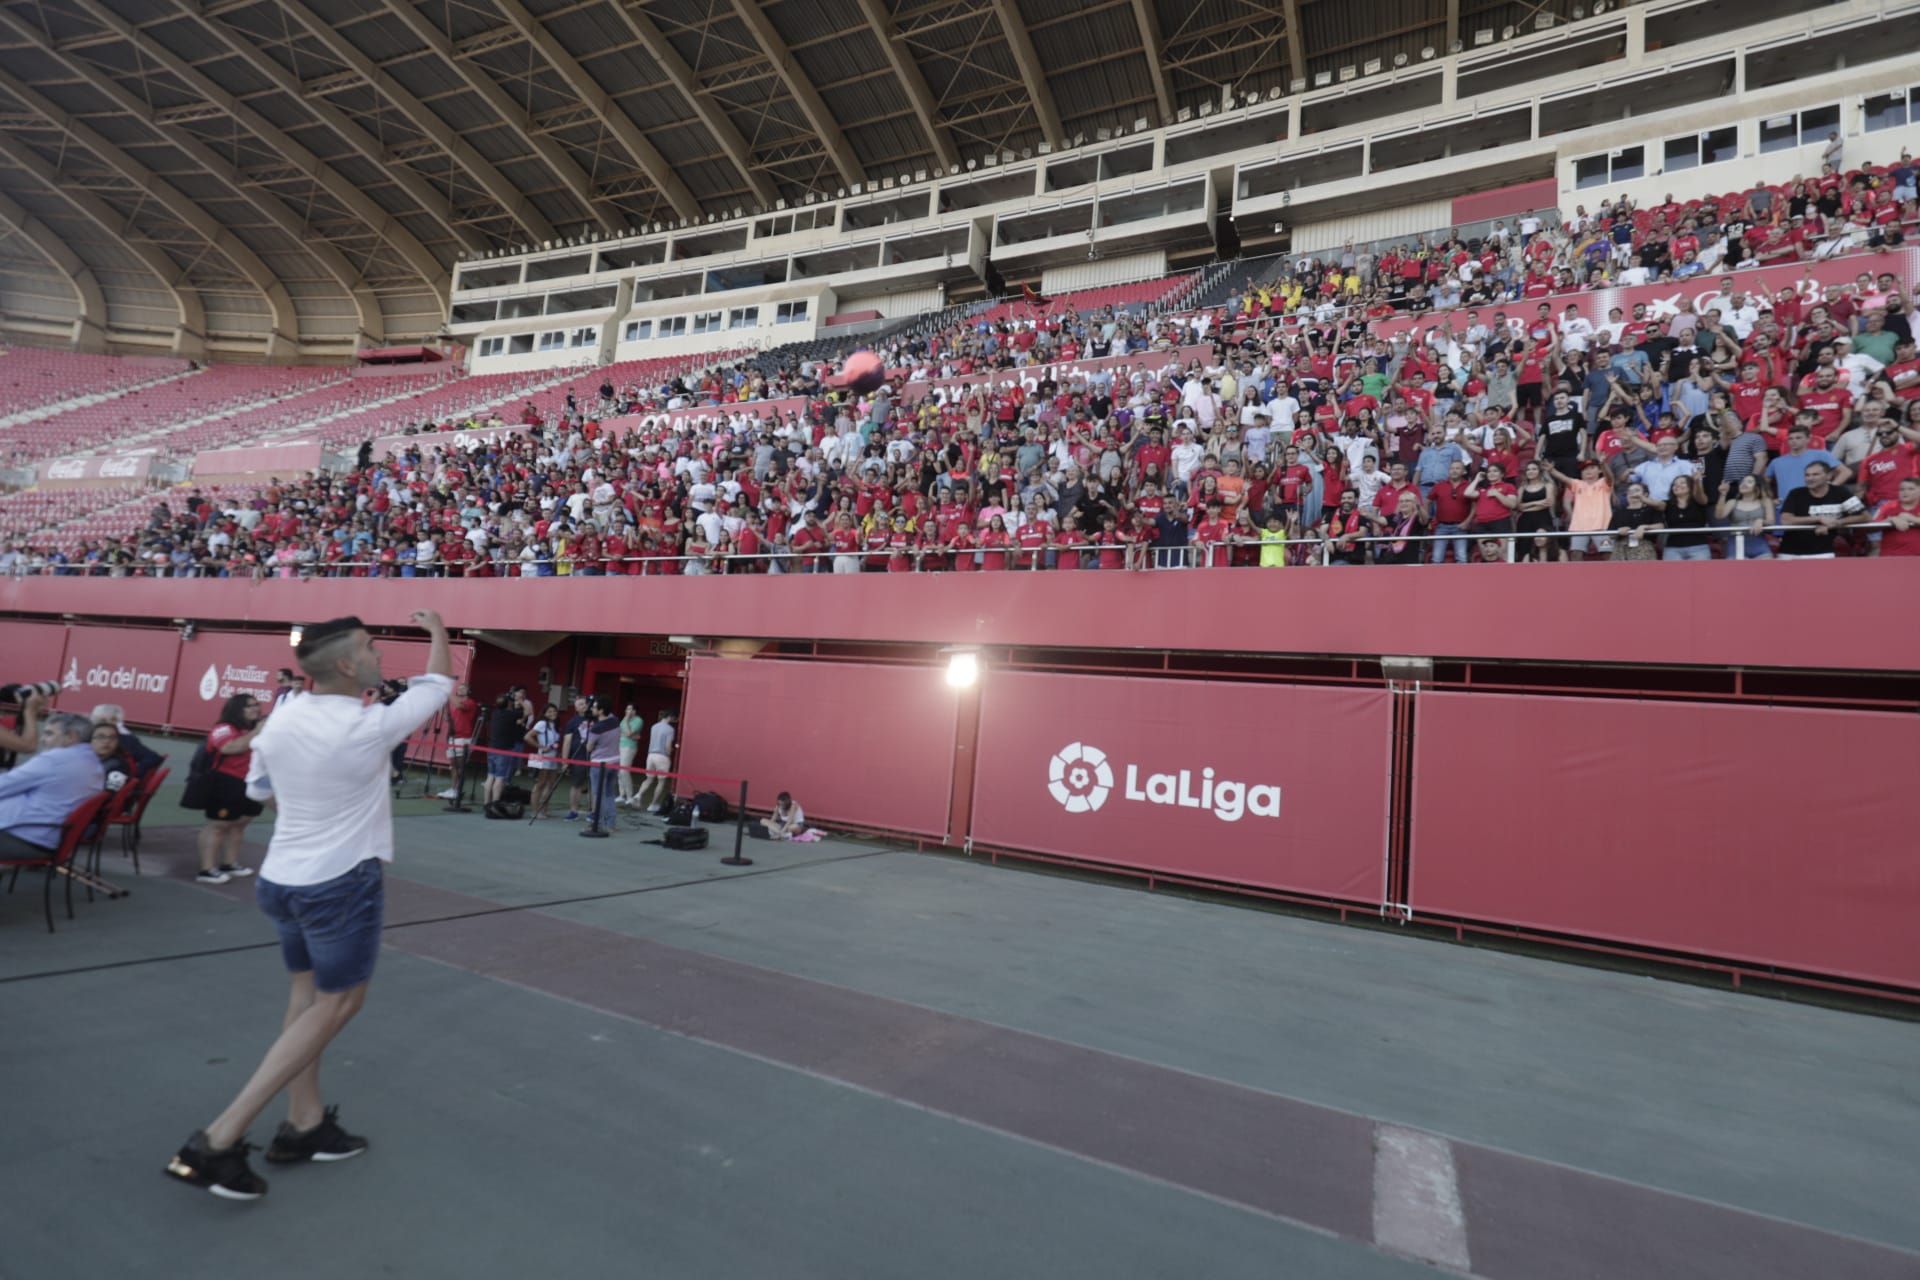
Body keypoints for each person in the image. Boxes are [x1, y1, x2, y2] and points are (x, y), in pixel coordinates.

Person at [163, 611, 452, 1202]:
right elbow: (439, 684)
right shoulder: (370, 725)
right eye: (371, 648)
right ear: (347, 665)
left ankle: (304, 1122)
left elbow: (261, 793)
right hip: (339, 883)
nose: (378, 655)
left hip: (282, 880)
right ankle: (218, 1139)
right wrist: (440, 632)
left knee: (306, 1000)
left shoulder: (282, 720)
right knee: (339, 1002)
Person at [0, 711, 103, 859]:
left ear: (70, 737)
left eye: (49, 734)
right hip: (46, 838)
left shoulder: (55, 759)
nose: (42, 739)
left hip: (24, 838)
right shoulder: (93, 763)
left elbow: (3, 786)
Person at [198, 693, 264, 885]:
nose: (256, 709)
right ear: (237, 709)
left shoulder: (256, 728)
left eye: (257, 705)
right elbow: (229, 747)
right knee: (218, 826)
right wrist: (257, 733)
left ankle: (229, 863)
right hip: (226, 781)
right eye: (249, 706)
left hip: (251, 781)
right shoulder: (224, 728)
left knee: (240, 824)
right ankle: (206, 870)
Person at [437, 682, 479, 801]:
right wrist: (440, 706)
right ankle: (453, 789)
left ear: (468, 692)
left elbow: (461, 706)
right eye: (459, 688)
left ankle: (458, 789)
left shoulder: (470, 702)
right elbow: (446, 718)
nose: (460, 690)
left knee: (460, 765)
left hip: (463, 737)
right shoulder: (454, 705)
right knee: (453, 765)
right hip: (452, 737)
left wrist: (449, 694)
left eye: (463, 688)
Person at [482, 692, 524, 809]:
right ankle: (495, 803)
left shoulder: (495, 713)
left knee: (490, 776)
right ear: (508, 704)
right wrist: (520, 702)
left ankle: (486, 803)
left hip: (492, 748)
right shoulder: (511, 715)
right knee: (500, 778)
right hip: (504, 749)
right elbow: (528, 712)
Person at [634, 709, 676, 815]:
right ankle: (653, 804)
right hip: (662, 756)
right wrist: (671, 751)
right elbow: (667, 746)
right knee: (661, 782)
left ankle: (638, 794)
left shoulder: (654, 726)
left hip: (651, 755)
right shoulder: (670, 729)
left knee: (648, 779)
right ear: (670, 717)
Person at [524, 705, 563, 819]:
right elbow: (527, 737)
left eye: (554, 711)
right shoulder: (542, 723)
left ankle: (544, 809)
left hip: (554, 757)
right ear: (544, 713)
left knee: (551, 784)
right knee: (540, 784)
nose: (553, 713)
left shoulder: (555, 725)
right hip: (543, 756)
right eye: (549, 711)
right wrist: (540, 746)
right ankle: (535, 811)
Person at [615, 703, 645, 807]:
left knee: (624, 770)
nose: (628, 711)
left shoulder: (638, 720)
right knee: (619, 771)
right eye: (627, 709)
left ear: (635, 711)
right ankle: (621, 795)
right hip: (620, 745)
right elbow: (621, 733)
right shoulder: (623, 720)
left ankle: (629, 796)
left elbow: (628, 733)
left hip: (629, 747)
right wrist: (632, 735)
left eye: (631, 709)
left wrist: (627, 721)